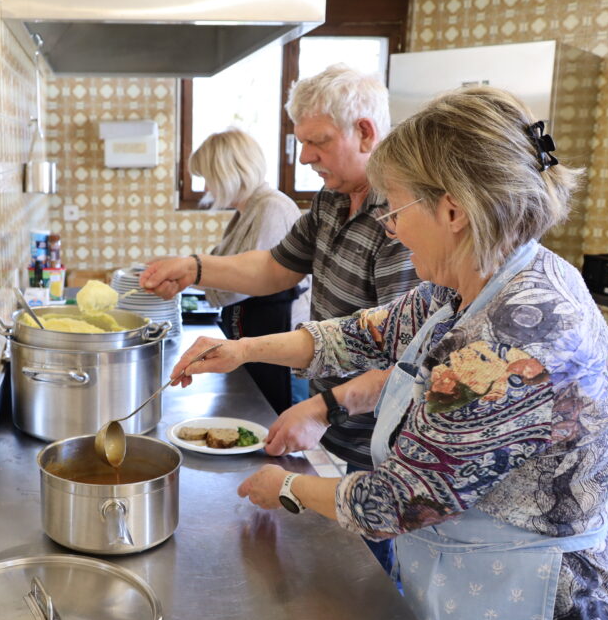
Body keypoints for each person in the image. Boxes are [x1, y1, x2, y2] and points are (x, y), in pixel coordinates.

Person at [169, 86, 608, 620]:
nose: (389, 226)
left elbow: (399, 499)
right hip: (478, 580)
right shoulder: (481, 276)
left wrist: (285, 486)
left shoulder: (516, 335)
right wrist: (246, 351)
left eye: (396, 209)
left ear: (453, 210)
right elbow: (369, 331)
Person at [142, 64, 419, 575]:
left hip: (378, 444)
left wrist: (318, 408)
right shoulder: (334, 200)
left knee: (369, 584)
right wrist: (195, 267)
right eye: (301, 142)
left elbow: (407, 361)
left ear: (365, 132)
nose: (305, 156)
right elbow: (273, 265)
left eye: (317, 141)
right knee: (327, 570)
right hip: (334, 424)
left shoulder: (400, 220)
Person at [188, 128, 310, 414]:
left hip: (282, 341)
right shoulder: (250, 208)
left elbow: (241, 283)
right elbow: (227, 267)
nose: (207, 187)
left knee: (279, 429)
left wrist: (189, 272)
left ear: (228, 173)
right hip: (262, 333)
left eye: (208, 177)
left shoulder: (272, 208)